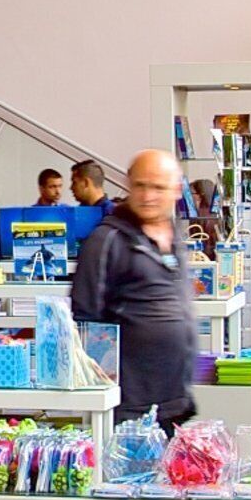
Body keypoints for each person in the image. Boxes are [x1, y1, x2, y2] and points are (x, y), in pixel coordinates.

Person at [72, 150, 197, 425]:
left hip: (174, 402)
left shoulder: (173, 237)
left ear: (177, 190)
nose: (147, 196)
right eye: (140, 185)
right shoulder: (106, 241)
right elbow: (85, 322)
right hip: (130, 410)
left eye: (158, 187)